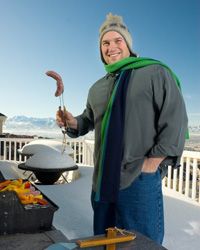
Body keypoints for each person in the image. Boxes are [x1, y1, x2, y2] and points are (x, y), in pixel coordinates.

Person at [56, 13, 188, 244]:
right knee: (105, 241)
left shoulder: (155, 73)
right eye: (105, 43)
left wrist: (150, 165)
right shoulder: (96, 88)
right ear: (100, 50)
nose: (112, 47)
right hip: (103, 179)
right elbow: (87, 121)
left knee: (141, 243)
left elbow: (175, 122)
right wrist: (71, 122)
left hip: (138, 178)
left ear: (128, 44)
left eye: (118, 41)